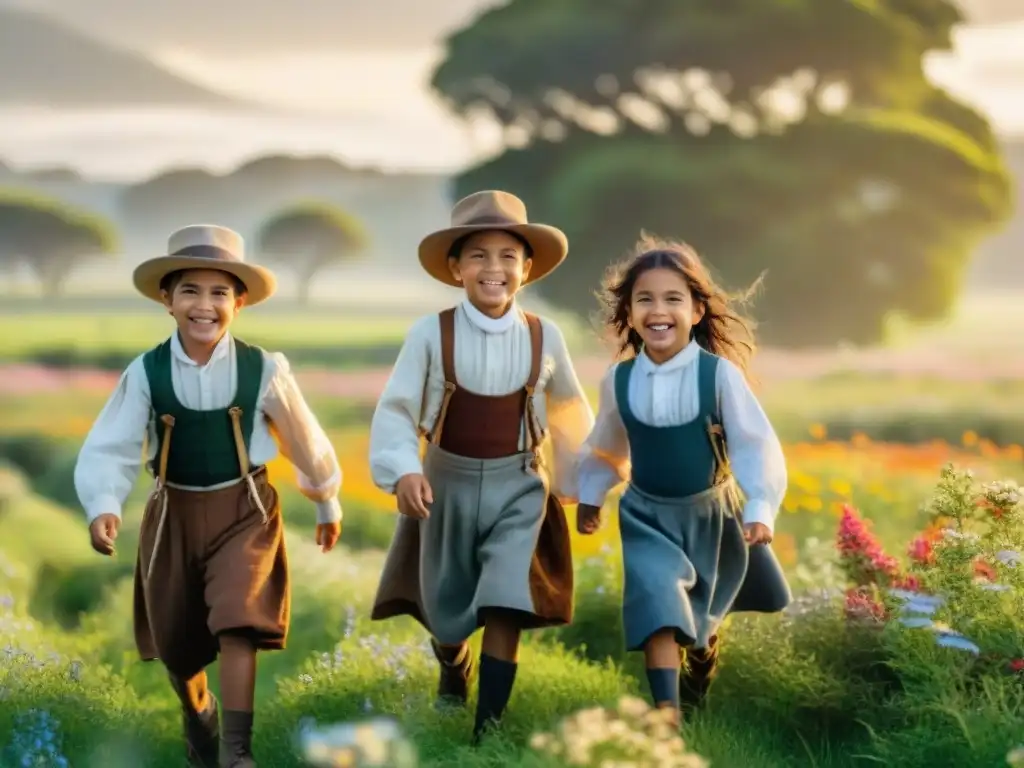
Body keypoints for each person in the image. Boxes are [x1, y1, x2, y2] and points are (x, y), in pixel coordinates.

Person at [74, 225, 344, 768]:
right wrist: (103, 503)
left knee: (240, 617)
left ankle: (236, 753)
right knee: (179, 645)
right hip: (173, 512)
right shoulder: (146, 372)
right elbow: (113, 444)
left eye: (219, 293)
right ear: (166, 301)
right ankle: (200, 713)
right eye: (190, 292)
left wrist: (325, 498)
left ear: (239, 302)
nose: (205, 305)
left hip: (245, 510)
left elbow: (304, 438)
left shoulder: (263, 369)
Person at [368, 191, 595, 742]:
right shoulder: (430, 333)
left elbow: (569, 413)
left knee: (505, 598)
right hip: (443, 482)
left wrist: (583, 487)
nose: (494, 269)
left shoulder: (546, 336)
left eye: (507, 256)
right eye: (478, 256)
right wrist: (403, 470)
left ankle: (486, 732)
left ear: (527, 268)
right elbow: (396, 409)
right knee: (446, 611)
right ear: (455, 268)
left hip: (520, 485)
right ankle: (453, 663)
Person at [576, 235, 791, 723]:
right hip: (646, 515)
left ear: (696, 310)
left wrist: (759, 507)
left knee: (700, 622)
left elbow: (756, 444)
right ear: (628, 313)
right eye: (644, 299)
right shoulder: (619, 380)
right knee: (659, 613)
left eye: (673, 298)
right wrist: (591, 495)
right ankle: (667, 725)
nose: (658, 310)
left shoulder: (718, 376)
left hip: (711, 515)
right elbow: (607, 445)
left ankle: (701, 664)